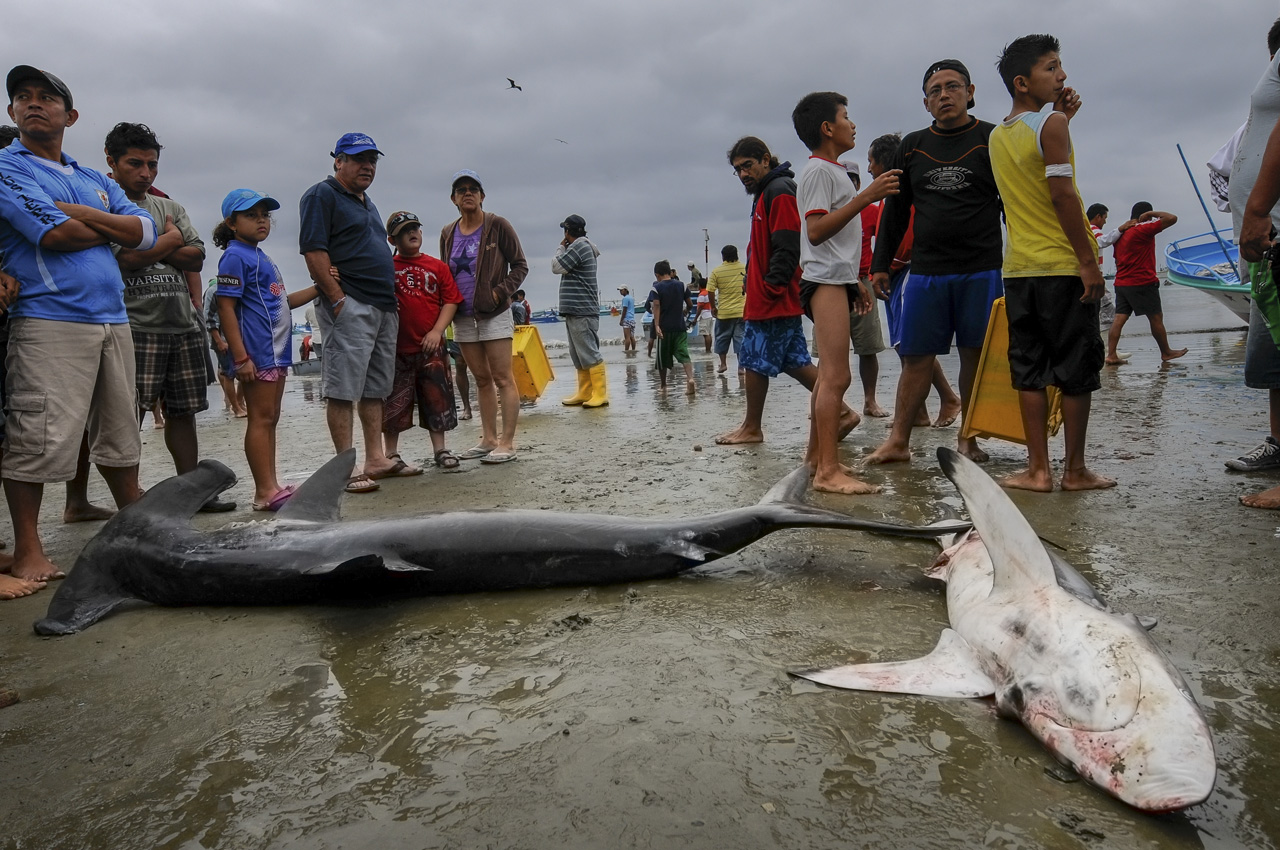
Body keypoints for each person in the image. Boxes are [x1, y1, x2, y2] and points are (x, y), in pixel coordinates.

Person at [0, 65, 157, 588]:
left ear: (70, 116)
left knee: (120, 429)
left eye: (46, 97)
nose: (33, 103)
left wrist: (80, 214)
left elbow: (145, 231)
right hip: (49, 317)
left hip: (113, 317)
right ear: (11, 111)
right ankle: (29, 550)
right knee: (38, 435)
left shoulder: (93, 178)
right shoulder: (7, 167)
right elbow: (56, 236)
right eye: (23, 96)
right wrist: (110, 227)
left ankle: (139, 529)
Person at [866, 59, 1019, 465]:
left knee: (974, 356)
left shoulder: (993, 138)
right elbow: (895, 211)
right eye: (935, 91)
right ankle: (898, 441)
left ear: (970, 92)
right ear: (925, 102)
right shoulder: (913, 145)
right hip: (926, 272)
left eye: (953, 87)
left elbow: (1012, 203)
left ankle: (968, 439)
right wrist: (880, 265)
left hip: (981, 268)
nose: (944, 95)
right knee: (916, 357)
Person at [990, 34, 1113, 492]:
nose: (1062, 75)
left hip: (1019, 270)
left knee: (1029, 371)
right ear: (1022, 83)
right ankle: (1074, 471)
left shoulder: (997, 136)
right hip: (1062, 266)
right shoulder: (1051, 124)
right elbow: (1062, 196)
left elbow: (1027, 176)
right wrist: (1088, 262)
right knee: (1076, 370)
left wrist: (1060, 117)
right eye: (1051, 67)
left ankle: (1037, 470)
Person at [104, 122, 234, 512]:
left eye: (152, 164)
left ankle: (191, 493)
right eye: (135, 163)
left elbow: (197, 256)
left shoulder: (170, 207)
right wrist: (172, 239)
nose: (146, 173)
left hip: (182, 323)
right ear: (112, 162)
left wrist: (158, 246)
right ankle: (133, 499)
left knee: (184, 413)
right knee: (130, 416)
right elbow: (125, 259)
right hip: (135, 325)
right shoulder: (105, 204)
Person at [713, 136, 858, 446]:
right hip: (772, 295)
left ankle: (752, 427)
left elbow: (788, 244)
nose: (743, 174)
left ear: (766, 159)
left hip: (774, 297)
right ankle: (843, 413)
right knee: (794, 360)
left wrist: (771, 286)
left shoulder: (779, 191)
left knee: (753, 358)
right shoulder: (767, 191)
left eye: (747, 166)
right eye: (738, 170)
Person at [793, 92, 897, 494]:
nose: (852, 125)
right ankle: (827, 473)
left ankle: (816, 459)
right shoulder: (819, 171)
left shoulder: (831, 170)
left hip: (834, 278)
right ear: (827, 128)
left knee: (829, 377)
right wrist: (865, 197)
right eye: (846, 117)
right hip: (823, 281)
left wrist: (853, 279)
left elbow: (834, 244)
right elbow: (816, 231)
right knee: (836, 376)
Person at [299, 132, 402, 493]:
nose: (367, 166)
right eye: (359, 159)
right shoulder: (322, 194)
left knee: (375, 389)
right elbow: (313, 250)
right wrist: (337, 299)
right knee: (343, 389)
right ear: (338, 161)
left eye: (372, 160)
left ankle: (375, 458)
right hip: (351, 303)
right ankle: (346, 466)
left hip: (383, 305)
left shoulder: (366, 202)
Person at [215, 189, 318, 510]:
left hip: (276, 351)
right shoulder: (235, 256)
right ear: (232, 223)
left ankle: (272, 484)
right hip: (257, 352)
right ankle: (263, 492)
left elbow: (282, 303)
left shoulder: (259, 256)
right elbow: (225, 307)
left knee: (271, 417)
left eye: (264, 215)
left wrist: (319, 287)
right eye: (251, 215)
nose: (261, 221)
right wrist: (240, 356)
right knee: (260, 419)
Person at [867, 132, 962, 427]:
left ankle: (948, 398)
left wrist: (884, 267)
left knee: (909, 343)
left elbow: (905, 242)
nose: (869, 168)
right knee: (903, 343)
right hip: (895, 275)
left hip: (906, 272)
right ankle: (919, 412)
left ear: (884, 161)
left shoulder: (901, 192)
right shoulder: (887, 195)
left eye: (871, 161)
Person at [440, 169, 528, 462]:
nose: (467, 193)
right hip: (463, 317)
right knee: (480, 378)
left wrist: (498, 293)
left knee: (503, 378)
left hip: (494, 314)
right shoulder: (447, 232)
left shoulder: (497, 225)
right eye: (461, 190)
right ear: (453, 198)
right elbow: (445, 273)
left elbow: (520, 265)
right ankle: (488, 438)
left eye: (473, 189)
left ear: (482, 196)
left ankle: (507, 443)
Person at [1230, 16, 1280, 510]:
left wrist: (1259, 207)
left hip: (1273, 226)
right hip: (1267, 240)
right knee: (1275, 353)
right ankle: (1278, 444)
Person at [384, 210, 461, 471]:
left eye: (415, 228)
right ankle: (391, 453)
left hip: (431, 347)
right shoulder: (386, 267)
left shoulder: (437, 267)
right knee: (392, 403)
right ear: (392, 240)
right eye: (404, 231)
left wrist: (438, 331)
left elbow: (451, 301)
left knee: (436, 399)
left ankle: (440, 448)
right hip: (395, 348)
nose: (412, 233)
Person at [1105, 201, 1185, 365]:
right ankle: (1166, 352)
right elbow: (1172, 218)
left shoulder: (1121, 235)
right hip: (1142, 281)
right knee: (1156, 318)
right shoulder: (1142, 229)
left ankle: (1111, 355)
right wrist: (1151, 214)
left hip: (1121, 283)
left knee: (1119, 319)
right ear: (1145, 216)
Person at [842, 158, 889, 418]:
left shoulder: (871, 211)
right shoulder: (826, 211)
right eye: (843, 179)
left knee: (868, 348)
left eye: (852, 180)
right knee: (828, 350)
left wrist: (876, 276)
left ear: (859, 183)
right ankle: (829, 402)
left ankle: (870, 401)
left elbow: (882, 245)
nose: (848, 184)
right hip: (834, 284)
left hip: (864, 281)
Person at [553, 214, 607, 408]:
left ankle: (600, 394)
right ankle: (585, 391)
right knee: (578, 354)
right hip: (576, 309)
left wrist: (561, 248)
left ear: (567, 231)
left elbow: (556, 266)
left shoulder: (579, 246)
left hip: (582, 309)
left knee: (589, 352)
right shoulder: (583, 246)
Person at [650, 260, 696, 393]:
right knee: (683, 353)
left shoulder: (656, 288)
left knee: (662, 358)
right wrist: (686, 311)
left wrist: (656, 325)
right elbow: (690, 304)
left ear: (657, 275)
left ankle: (664, 386)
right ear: (670, 272)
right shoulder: (681, 285)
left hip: (664, 328)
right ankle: (690, 378)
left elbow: (656, 306)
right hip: (680, 327)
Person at [204, 278, 247, 416]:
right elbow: (209, 318)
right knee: (228, 374)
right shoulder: (213, 291)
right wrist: (218, 341)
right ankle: (235, 407)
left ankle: (240, 402)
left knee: (245, 371)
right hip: (222, 339)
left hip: (240, 337)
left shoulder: (240, 287)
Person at [706, 244, 745, 374]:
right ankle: (741, 367)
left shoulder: (717, 271)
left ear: (723, 257)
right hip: (742, 312)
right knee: (741, 339)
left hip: (724, 313)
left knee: (722, 338)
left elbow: (710, 290)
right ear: (737, 255)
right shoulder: (745, 268)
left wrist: (713, 307)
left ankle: (723, 364)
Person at [1085, 203, 1123, 330]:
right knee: (1108, 314)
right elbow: (1103, 241)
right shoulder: (1093, 229)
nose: (1105, 222)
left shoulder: (1084, 228)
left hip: (1087, 275)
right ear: (1098, 217)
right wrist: (1120, 230)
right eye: (1105, 218)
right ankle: (1107, 341)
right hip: (1094, 276)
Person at [694, 278, 713, 353]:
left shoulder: (702, 295)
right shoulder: (708, 293)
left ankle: (707, 351)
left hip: (704, 316)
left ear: (699, 285)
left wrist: (695, 318)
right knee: (709, 334)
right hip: (710, 315)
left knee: (705, 334)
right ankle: (709, 350)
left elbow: (700, 308)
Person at [618, 285, 637, 351]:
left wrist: (621, 320)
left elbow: (624, 310)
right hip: (632, 319)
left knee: (627, 337)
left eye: (621, 290)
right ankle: (634, 350)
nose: (620, 292)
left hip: (626, 319)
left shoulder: (625, 299)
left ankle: (626, 351)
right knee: (632, 337)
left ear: (625, 290)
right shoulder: (631, 298)